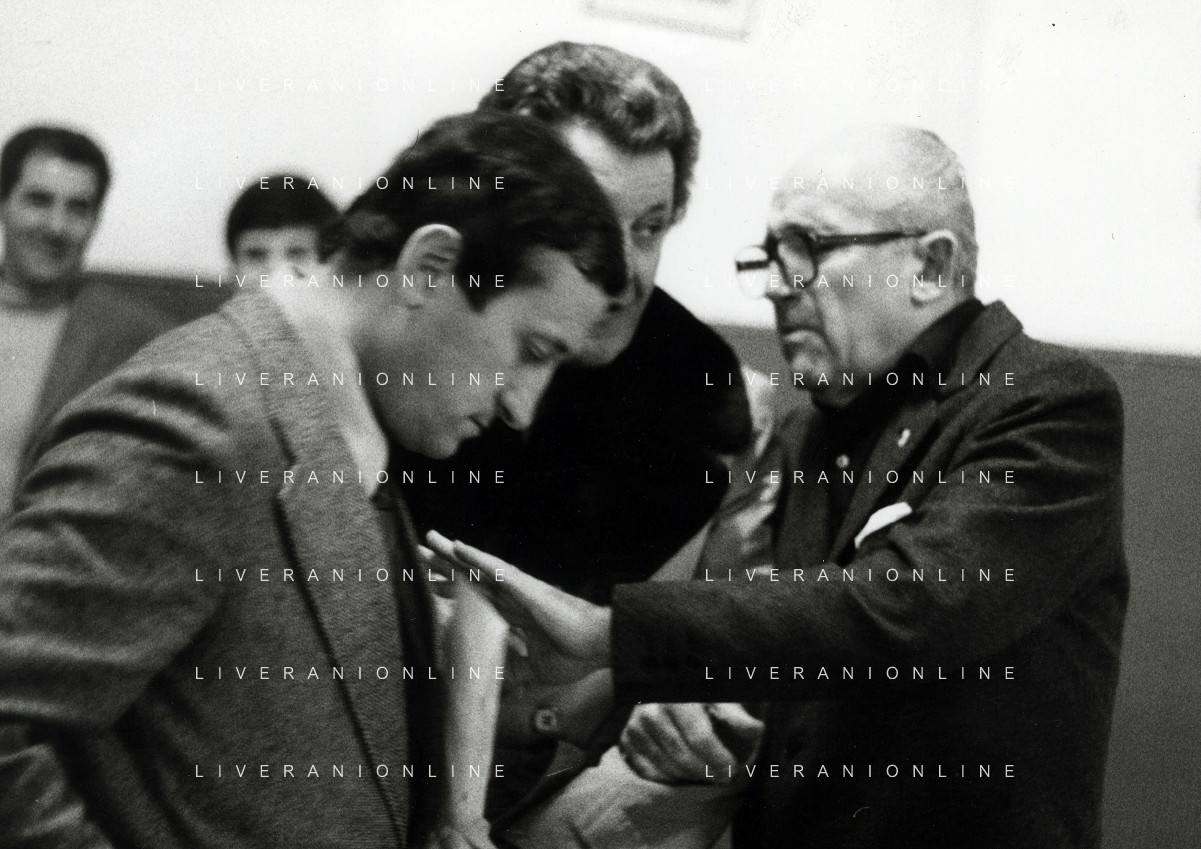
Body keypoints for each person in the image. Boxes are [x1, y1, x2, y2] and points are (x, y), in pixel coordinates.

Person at [425, 124, 1129, 848]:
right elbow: (753, 641)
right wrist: (684, 711)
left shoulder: (1047, 401)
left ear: (930, 264)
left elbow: (911, 606)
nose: (773, 284)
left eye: (808, 248)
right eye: (769, 254)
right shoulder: (802, 434)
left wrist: (609, 633)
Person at [0, 111, 627, 849]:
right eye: (532, 349)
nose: (523, 405)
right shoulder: (208, 417)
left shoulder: (347, 419)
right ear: (429, 267)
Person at [12, 174, 340, 500]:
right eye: (255, 256)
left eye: (298, 253)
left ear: (333, 265)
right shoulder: (201, 368)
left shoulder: (349, 361)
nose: (276, 275)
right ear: (232, 271)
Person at [0, 125, 109, 508]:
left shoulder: (131, 337)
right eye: (39, 200)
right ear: (4, 203)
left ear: (95, 220)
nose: (56, 227)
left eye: (78, 208)